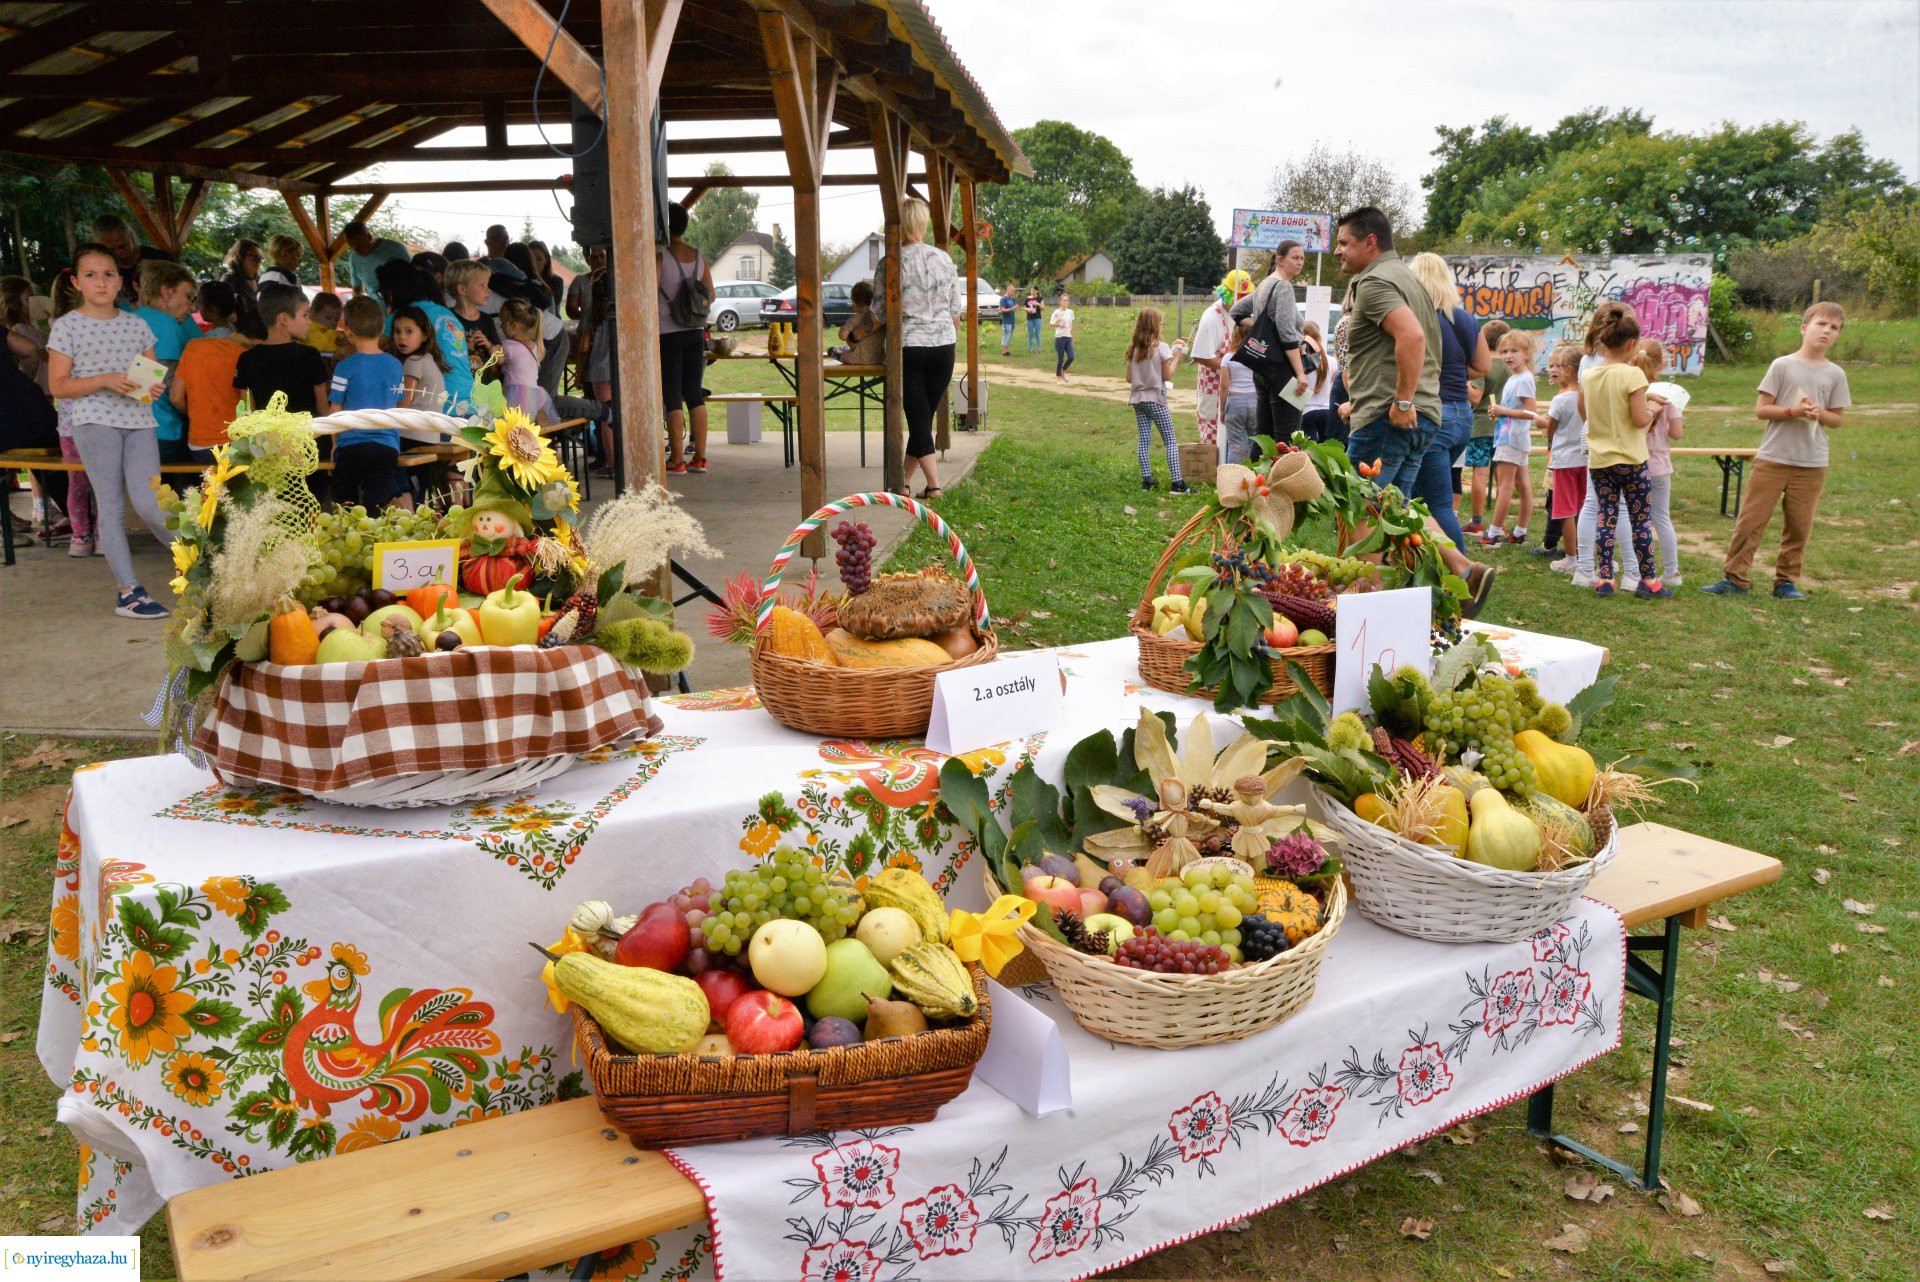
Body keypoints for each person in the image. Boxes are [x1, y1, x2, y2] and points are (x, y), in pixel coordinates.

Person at [44, 243, 176, 618]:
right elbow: (58, 385)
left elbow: (150, 378)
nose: (100, 282)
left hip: (139, 422)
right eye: (91, 275)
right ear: (77, 282)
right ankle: (128, 592)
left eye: (108, 274)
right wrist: (104, 380)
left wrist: (152, 386)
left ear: (121, 280)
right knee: (113, 506)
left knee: (151, 502)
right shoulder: (67, 325)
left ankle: (197, 563)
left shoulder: (136, 324)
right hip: (93, 420)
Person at [1701, 302, 1849, 601]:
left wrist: (1818, 412)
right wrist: (1793, 411)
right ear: (1804, 328)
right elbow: (1761, 410)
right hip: (1773, 458)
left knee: (1798, 526)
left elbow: (1837, 419)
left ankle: (1786, 582)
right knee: (1751, 520)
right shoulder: (1782, 365)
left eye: (1834, 328)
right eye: (1822, 324)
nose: (1827, 331)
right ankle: (1735, 578)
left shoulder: (1836, 374)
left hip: (1812, 462)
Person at [1332, 207, 1439, 497]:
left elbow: (1412, 336)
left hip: (1389, 419)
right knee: (1396, 522)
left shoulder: (1374, 281)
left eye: (1343, 243)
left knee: (1358, 515)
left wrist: (1402, 402)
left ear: (1370, 242)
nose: (1336, 251)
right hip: (1420, 416)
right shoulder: (1409, 278)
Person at [873, 197, 964, 497]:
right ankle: (903, 484)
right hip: (943, 347)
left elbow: (880, 313)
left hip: (908, 348)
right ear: (922, 223)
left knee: (919, 417)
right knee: (921, 417)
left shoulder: (889, 262)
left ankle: (935, 486)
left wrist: (853, 334)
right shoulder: (945, 260)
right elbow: (955, 312)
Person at [1575, 302, 1664, 599]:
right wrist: (1652, 406)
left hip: (1600, 461)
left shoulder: (1589, 376)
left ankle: (1604, 579)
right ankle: (1648, 581)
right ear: (1632, 344)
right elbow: (1640, 420)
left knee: (1606, 517)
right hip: (1632, 461)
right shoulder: (1634, 376)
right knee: (1640, 520)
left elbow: (1584, 411)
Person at [1408, 252, 1487, 546]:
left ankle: (1465, 574)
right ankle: (1423, 566)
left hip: (1432, 414)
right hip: (1462, 417)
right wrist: (1452, 372)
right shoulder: (1465, 318)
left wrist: (1431, 374)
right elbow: (1482, 367)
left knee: (1438, 504)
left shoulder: (1416, 318)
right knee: (1421, 497)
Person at [326, 296, 406, 510]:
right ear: (382, 328)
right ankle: (376, 542)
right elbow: (399, 405)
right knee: (377, 506)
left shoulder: (344, 367)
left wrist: (335, 442)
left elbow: (335, 409)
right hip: (387, 446)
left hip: (352, 445)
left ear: (348, 331)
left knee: (344, 504)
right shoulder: (395, 365)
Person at [1230, 239, 1310, 444]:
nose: (1299, 262)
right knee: (1288, 440)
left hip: (1263, 370)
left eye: (1302, 258)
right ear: (1280, 260)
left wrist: (1262, 327)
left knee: (1264, 439)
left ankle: (1257, 476)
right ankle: (1285, 476)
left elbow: (1236, 312)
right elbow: (1286, 333)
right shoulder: (1283, 287)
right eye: (1295, 258)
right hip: (1283, 371)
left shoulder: (1266, 284)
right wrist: (1300, 373)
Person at [656, 202, 714, 476]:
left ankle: (676, 459)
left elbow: (649, 289)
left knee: (672, 396)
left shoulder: (660, 257)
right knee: (694, 393)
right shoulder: (699, 256)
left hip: (668, 333)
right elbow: (710, 295)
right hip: (694, 332)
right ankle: (700, 457)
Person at [170, 280, 251, 459]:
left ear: (207, 310)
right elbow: (248, 404)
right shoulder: (244, 349)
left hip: (201, 442)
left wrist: (196, 414)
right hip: (238, 440)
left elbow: (176, 398)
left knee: (209, 488)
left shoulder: (193, 348)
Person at [1531, 344, 1586, 575]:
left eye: (1559, 366)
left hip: (1563, 461)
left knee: (1565, 511)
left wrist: (1544, 427)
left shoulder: (1561, 400)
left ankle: (1572, 559)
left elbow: (1549, 429)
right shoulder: (1586, 397)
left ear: (1570, 370)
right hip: (1585, 459)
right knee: (1585, 509)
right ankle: (1586, 555)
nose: (1555, 370)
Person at [1633, 339, 1684, 586]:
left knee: (1633, 519)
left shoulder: (1633, 392)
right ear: (1661, 365)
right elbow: (1677, 434)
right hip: (1661, 468)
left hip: (1635, 464)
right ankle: (1672, 572)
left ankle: (1635, 570)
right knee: (1661, 518)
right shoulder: (1669, 395)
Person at [236, 283, 329, 418]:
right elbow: (323, 410)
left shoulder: (247, 359)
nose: (310, 322)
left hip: (269, 438)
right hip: (309, 436)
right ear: (284, 319)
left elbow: (247, 414)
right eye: (305, 315)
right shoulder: (310, 355)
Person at [1482, 331, 1537, 546]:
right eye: (1504, 351)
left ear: (1526, 353)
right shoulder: (1516, 378)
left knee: (1505, 486)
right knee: (1523, 484)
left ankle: (1494, 533)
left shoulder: (1523, 379)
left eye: (1513, 351)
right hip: (1512, 436)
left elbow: (1531, 412)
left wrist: (1503, 410)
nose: (1507, 355)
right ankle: (1520, 531)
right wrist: (1499, 412)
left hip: (1511, 438)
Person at [1125, 307, 1189, 493]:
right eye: (1161, 322)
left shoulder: (1134, 349)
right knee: (1170, 440)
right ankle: (1177, 484)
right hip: (1156, 400)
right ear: (1154, 325)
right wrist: (1177, 356)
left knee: (1144, 439)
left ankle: (1147, 481)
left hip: (1138, 400)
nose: (1163, 325)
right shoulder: (1161, 348)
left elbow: (1129, 378)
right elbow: (1167, 375)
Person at [1190, 270, 1252, 457]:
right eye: (1239, 298)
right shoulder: (1212, 317)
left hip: (1238, 391)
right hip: (1213, 387)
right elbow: (1200, 355)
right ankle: (1213, 475)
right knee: (1213, 431)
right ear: (1227, 294)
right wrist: (1231, 365)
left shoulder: (1244, 316)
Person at [1463, 318, 1509, 533]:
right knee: (1504, 477)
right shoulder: (1511, 365)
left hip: (1482, 423)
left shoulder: (1483, 364)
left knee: (1480, 473)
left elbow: (1475, 396)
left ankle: (1477, 521)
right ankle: (1501, 523)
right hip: (1505, 425)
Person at [89, 213, 173, 307]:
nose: (118, 253)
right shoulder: (98, 271)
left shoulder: (159, 259)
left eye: (122, 246)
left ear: (131, 236)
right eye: (111, 250)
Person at [447, 259, 501, 380]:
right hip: (458, 387)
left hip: (483, 390)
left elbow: (501, 359)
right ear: (462, 289)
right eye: (482, 285)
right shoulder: (447, 319)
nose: (488, 290)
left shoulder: (486, 320)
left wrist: (488, 345)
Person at [392, 304, 449, 413]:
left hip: (414, 429)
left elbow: (403, 405)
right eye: (397, 331)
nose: (401, 337)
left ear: (424, 335)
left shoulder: (414, 361)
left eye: (409, 331)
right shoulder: (428, 359)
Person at [1222, 320, 1261, 465]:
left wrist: (1222, 409)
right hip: (1255, 401)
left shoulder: (1228, 358)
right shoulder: (1257, 356)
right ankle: (1253, 475)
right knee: (1254, 442)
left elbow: (1224, 386)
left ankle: (1232, 477)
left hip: (1235, 402)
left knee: (1236, 446)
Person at [341, 221, 410, 296]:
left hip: (402, 301)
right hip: (376, 305)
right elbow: (357, 289)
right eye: (351, 245)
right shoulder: (354, 258)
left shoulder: (396, 249)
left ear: (369, 237)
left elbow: (413, 278)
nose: (356, 249)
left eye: (360, 245)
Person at [1299, 320, 1339, 445]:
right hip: (1327, 412)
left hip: (1307, 411)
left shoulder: (1301, 363)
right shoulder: (1332, 362)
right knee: (1326, 452)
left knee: (1310, 452)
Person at [833, 280, 884, 365]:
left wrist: (843, 329)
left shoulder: (855, 319)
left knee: (841, 353)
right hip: (879, 359)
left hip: (858, 358)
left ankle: (839, 354)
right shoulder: (880, 317)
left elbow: (842, 336)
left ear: (855, 303)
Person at [222, 238, 263, 332]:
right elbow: (225, 313)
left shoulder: (260, 281)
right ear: (240, 257)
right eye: (254, 257)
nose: (258, 261)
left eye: (260, 258)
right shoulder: (230, 280)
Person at [302, 292, 344, 360]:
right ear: (313, 313)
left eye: (336, 319)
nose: (333, 323)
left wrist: (346, 343)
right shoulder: (304, 331)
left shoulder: (338, 337)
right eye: (328, 318)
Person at [1049, 292, 1075, 383]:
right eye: (1063, 300)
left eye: (1067, 300)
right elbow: (1051, 324)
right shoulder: (1057, 312)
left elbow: (1071, 325)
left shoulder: (1070, 312)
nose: (1065, 302)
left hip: (1068, 337)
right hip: (1059, 338)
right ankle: (1058, 377)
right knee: (1061, 358)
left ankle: (1063, 371)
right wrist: (1058, 324)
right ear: (1060, 301)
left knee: (1071, 357)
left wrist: (1072, 337)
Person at [997, 282, 1017, 356]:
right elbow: (1002, 310)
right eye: (1012, 291)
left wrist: (1015, 309)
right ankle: (1004, 352)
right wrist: (1012, 308)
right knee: (1006, 335)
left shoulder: (1012, 299)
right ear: (1008, 290)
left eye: (1013, 291)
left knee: (1010, 335)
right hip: (1006, 321)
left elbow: (1014, 309)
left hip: (1012, 320)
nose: (1013, 293)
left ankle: (1007, 350)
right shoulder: (1003, 299)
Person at [1024, 286, 1043, 354]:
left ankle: (1039, 349)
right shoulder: (1027, 298)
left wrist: (1038, 304)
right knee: (1030, 334)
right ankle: (1030, 349)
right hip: (1029, 318)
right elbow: (1024, 307)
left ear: (1036, 291)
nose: (1032, 292)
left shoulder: (1039, 298)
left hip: (1037, 317)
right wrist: (1027, 309)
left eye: (1034, 290)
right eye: (1031, 290)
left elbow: (1043, 308)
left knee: (1037, 333)